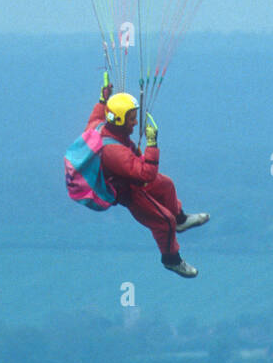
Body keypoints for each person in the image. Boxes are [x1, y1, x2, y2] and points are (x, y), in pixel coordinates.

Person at [88, 79, 209, 277]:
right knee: (164, 220)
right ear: (118, 120)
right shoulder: (114, 152)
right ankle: (172, 260)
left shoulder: (102, 125)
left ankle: (181, 219)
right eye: (131, 119)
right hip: (128, 191)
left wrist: (103, 99)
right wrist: (152, 144)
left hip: (132, 178)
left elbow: (95, 117)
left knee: (166, 185)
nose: (135, 122)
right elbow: (145, 174)